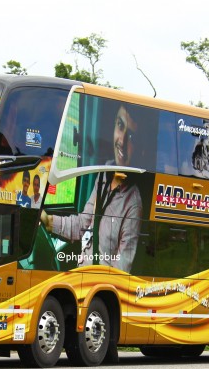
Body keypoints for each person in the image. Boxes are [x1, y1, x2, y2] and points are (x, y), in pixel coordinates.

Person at [41, 104, 143, 273]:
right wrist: (48, 221)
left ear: (140, 148)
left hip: (98, 285)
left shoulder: (133, 203)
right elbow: (82, 224)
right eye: (120, 125)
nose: (122, 141)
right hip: (81, 274)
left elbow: (122, 270)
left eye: (131, 135)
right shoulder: (103, 175)